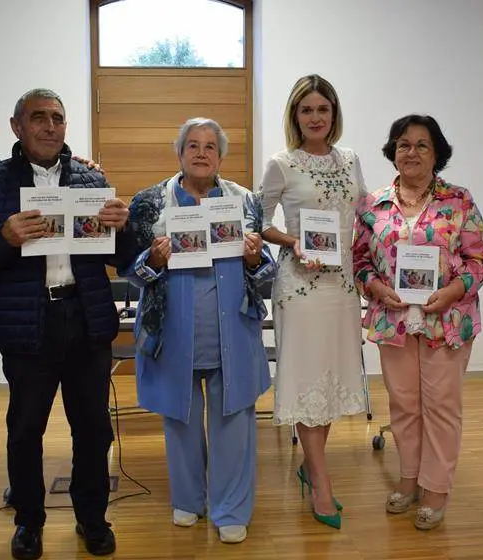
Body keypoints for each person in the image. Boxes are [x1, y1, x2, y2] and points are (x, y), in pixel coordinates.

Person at [0, 88, 136, 559]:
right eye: (38, 118)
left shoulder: (92, 183)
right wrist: (4, 236)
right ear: (17, 126)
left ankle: (92, 520)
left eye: (58, 117)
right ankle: (29, 522)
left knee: (92, 428)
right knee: (26, 429)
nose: (50, 126)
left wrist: (123, 226)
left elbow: (124, 258)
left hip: (87, 319)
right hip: (27, 325)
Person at [121, 117, 274, 544]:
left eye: (210, 146)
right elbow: (130, 272)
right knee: (180, 420)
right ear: (180, 153)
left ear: (221, 156)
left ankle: (231, 509)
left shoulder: (245, 201)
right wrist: (154, 258)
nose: (202, 152)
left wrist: (253, 258)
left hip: (232, 333)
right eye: (193, 145)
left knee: (235, 422)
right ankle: (189, 500)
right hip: (173, 332)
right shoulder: (151, 202)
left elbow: (266, 271)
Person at [352, 114, 483, 530]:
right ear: (393, 152)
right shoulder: (372, 204)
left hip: (447, 320)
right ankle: (408, 479)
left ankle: (436, 488)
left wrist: (452, 291)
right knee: (404, 406)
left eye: (421, 145)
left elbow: (480, 259)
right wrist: (375, 287)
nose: (411, 152)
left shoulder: (459, 200)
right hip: (393, 321)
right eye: (403, 144)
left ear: (437, 153)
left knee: (442, 407)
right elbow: (359, 261)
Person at [257, 75, 366, 529]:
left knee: (332, 377)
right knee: (305, 380)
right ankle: (321, 481)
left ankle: (311, 465)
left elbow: (363, 216)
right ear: (295, 116)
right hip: (300, 285)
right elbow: (259, 222)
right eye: (307, 110)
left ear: (334, 114)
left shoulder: (352, 159)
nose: (316, 118)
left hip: (342, 286)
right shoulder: (281, 164)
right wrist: (295, 242)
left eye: (323, 109)